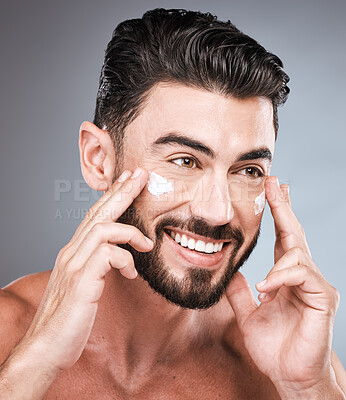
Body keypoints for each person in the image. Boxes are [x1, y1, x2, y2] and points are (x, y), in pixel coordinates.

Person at [0, 8, 345, 399]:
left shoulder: (291, 369)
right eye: (184, 161)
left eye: (247, 170)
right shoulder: (10, 337)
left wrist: (307, 388)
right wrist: (38, 361)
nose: (218, 212)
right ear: (98, 159)